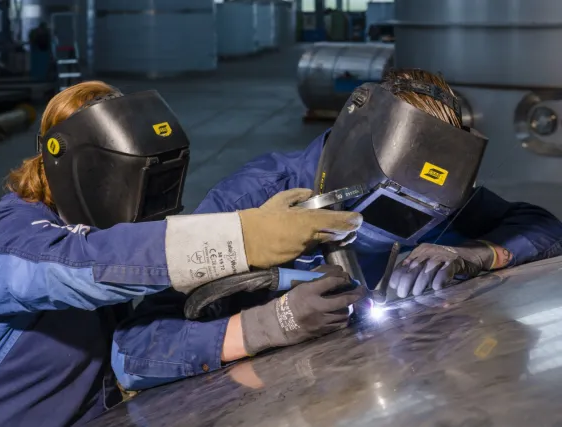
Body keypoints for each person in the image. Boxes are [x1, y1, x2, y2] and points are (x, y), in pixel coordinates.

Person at [0, 81, 363, 426]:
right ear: (85, 170)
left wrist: (272, 321)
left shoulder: (103, 227)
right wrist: (241, 239)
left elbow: (130, 353)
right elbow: (86, 264)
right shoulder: (0, 238)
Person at [112, 69, 562, 394]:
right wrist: (270, 324)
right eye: (394, 206)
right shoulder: (253, 198)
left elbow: (542, 226)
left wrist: (476, 254)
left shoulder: (438, 194)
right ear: (352, 156)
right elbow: (133, 354)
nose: (408, 225)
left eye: (426, 214)